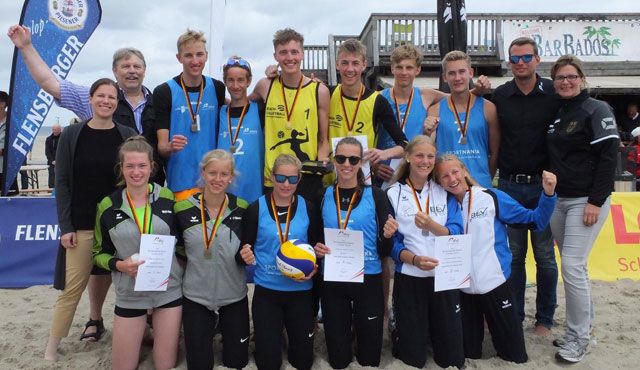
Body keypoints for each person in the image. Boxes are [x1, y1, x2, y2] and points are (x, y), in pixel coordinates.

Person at [434, 154, 558, 364]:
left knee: (515, 356)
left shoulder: (490, 197)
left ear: (464, 170)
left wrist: (548, 193)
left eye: (455, 172)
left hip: (496, 284)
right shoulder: (441, 206)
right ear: (438, 182)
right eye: (444, 176)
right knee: (467, 354)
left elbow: (535, 221)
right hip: (463, 290)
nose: (451, 179)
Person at [46, 78, 137, 361]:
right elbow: (62, 183)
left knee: (135, 283)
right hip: (83, 224)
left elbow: (138, 175)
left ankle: (142, 333)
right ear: (90, 99)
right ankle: (51, 347)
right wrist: (66, 227)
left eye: (112, 97)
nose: (106, 101)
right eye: (101, 96)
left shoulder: (128, 134)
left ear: (117, 102)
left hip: (121, 224)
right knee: (72, 289)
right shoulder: (72, 135)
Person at [7, 25, 164, 185]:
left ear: (144, 71)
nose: (132, 71)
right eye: (125, 66)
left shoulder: (162, 101)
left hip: (153, 188)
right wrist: (26, 47)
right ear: (115, 71)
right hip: (110, 189)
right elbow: (50, 83)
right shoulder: (99, 100)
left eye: (137, 66)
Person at [547, 55, 619, 363]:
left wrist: (595, 201)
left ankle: (578, 337)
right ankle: (581, 328)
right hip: (558, 201)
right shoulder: (558, 112)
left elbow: (609, 158)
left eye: (570, 76)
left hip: (585, 201)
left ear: (582, 78)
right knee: (577, 268)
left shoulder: (597, 109)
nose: (565, 81)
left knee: (573, 267)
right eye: (560, 77)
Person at [93, 136, 182, 370]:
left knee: (165, 365)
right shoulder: (107, 205)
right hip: (130, 292)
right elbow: (98, 254)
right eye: (129, 166)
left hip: (167, 290)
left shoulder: (167, 198)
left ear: (152, 167)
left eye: (142, 165)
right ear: (120, 168)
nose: (136, 172)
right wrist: (119, 265)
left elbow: (182, 242)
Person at [492, 37, 560, 336]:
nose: (520, 63)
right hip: (508, 185)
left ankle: (544, 319)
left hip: (542, 187)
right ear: (509, 63)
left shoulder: (554, 94)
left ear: (537, 59)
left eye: (526, 57)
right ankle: (516, 316)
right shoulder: (500, 95)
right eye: (515, 59)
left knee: (545, 257)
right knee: (515, 257)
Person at [313, 137, 394, 368]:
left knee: (370, 359)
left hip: (367, 279)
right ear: (334, 161)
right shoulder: (323, 196)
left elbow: (384, 251)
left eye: (353, 159)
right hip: (334, 281)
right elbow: (315, 240)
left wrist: (388, 236)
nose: (346, 164)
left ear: (361, 163)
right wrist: (317, 249)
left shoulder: (377, 196)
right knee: (338, 360)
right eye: (341, 158)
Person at [385, 135, 465, 369]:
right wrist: (415, 260)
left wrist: (432, 225)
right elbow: (392, 245)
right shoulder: (392, 193)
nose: (425, 161)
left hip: (444, 278)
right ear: (408, 157)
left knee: (452, 359)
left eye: (430, 156)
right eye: (419, 155)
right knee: (413, 359)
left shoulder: (443, 190)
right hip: (410, 278)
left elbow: (457, 232)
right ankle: (401, 329)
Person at [238, 154, 320, 370]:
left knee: (303, 362)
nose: (286, 184)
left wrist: (315, 265)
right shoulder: (255, 209)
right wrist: (244, 254)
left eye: (292, 179)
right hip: (267, 292)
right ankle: (271, 339)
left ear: (299, 179)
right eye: (281, 178)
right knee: (268, 363)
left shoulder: (309, 208)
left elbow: (315, 247)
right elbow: (243, 248)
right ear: (271, 177)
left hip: (301, 292)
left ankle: (287, 337)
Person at [175, 149, 250, 369]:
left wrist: (247, 254)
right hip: (196, 297)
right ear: (203, 173)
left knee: (237, 362)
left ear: (231, 177)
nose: (218, 179)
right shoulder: (182, 208)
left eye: (224, 174)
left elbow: (249, 246)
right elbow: (177, 250)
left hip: (234, 296)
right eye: (212, 173)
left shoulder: (243, 208)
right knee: (199, 365)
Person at [251, 28, 330, 201]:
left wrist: (323, 158)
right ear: (275, 56)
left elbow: (324, 139)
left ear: (302, 54)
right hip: (274, 176)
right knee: (275, 228)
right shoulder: (265, 86)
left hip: (307, 174)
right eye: (283, 53)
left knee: (308, 226)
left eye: (294, 52)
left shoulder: (319, 90)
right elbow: (240, 104)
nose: (289, 58)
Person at [155, 29, 226, 200]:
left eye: (199, 54)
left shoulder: (217, 88)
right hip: (181, 182)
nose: (195, 61)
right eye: (188, 55)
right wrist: (170, 146)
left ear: (206, 56)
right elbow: (161, 147)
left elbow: (239, 103)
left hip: (213, 181)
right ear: (179, 57)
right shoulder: (164, 91)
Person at [328, 39, 407, 170]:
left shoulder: (378, 100)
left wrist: (384, 154)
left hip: (363, 180)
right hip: (330, 180)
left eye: (355, 63)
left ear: (364, 65)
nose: (350, 69)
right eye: (345, 63)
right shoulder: (327, 94)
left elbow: (405, 145)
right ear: (337, 64)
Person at [428, 50, 500, 188]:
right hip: (447, 187)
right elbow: (430, 147)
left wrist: (484, 178)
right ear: (444, 77)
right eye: (451, 73)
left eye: (462, 71)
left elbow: (495, 153)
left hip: (481, 186)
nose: (457, 78)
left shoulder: (488, 108)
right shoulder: (435, 110)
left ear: (471, 73)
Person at [216, 56, 264, 203]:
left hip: (254, 191)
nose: (235, 85)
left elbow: (268, 84)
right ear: (225, 81)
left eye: (241, 80)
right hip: (225, 190)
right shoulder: (220, 112)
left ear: (249, 81)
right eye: (230, 80)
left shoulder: (260, 109)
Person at [0, 90, 19, 196]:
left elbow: (16, 142)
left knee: (10, 199)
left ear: (3, 104)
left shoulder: (13, 121)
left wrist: (3, 151)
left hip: (8, 167)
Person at [45, 123, 62, 189]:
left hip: (62, 162)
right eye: (53, 129)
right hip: (51, 162)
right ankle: (51, 191)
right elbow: (47, 152)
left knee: (61, 178)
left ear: (60, 130)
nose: (54, 131)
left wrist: (59, 161)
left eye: (56, 130)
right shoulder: (48, 139)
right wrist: (52, 161)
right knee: (52, 177)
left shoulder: (64, 137)